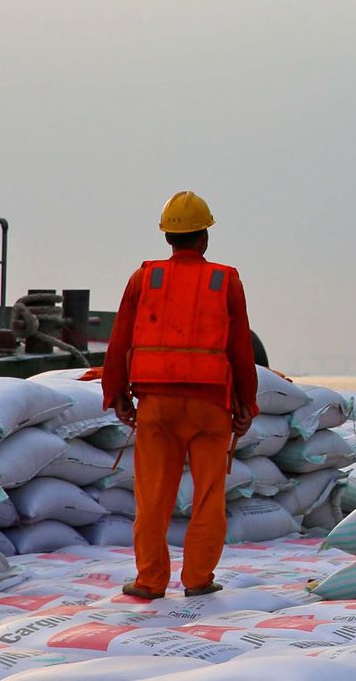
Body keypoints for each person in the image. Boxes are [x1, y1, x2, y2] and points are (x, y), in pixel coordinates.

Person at [103, 191, 259, 599]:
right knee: (208, 497)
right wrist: (248, 404)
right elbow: (241, 349)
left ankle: (150, 581)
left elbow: (119, 341)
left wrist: (115, 392)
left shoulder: (145, 278)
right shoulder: (224, 280)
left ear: (168, 238)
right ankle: (198, 580)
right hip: (211, 407)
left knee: (153, 497)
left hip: (156, 406)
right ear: (204, 237)